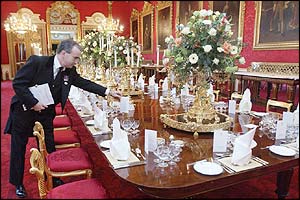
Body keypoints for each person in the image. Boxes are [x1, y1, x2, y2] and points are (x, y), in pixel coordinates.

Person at [4, 39, 122, 198]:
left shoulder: (69, 71)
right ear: (64, 54)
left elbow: (84, 83)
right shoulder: (38, 62)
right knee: (19, 147)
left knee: (48, 145)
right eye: (75, 58)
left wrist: (107, 92)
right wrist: (33, 102)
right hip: (24, 111)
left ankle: (52, 175)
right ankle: (17, 182)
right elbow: (18, 83)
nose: (77, 61)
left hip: (46, 113)